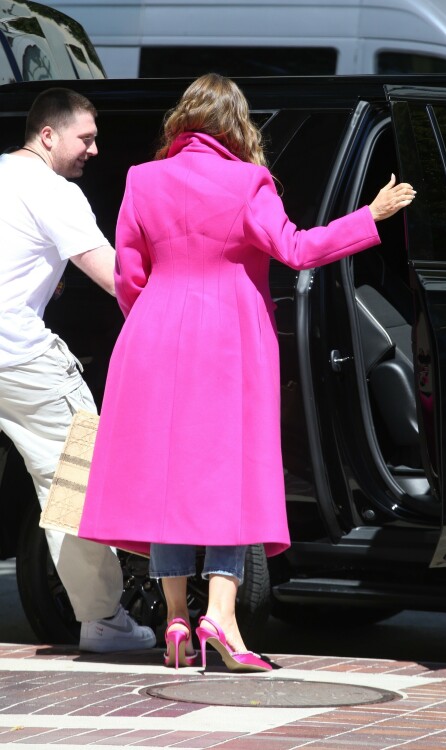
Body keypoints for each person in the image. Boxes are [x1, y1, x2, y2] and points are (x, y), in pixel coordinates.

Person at [78, 73, 416, 671]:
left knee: (168, 480)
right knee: (227, 476)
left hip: (154, 334)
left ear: (183, 120)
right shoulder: (246, 181)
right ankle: (223, 618)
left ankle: (177, 619)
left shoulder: (141, 179)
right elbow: (299, 250)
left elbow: (130, 274)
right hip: (227, 339)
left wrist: (154, 321)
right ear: (236, 124)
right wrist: (371, 214)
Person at [0, 87, 156, 653]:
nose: (95, 148)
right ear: (48, 135)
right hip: (21, 360)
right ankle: (105, 624)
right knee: (76, 486)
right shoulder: (54, 191)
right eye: (85, 137)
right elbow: (119, 281)